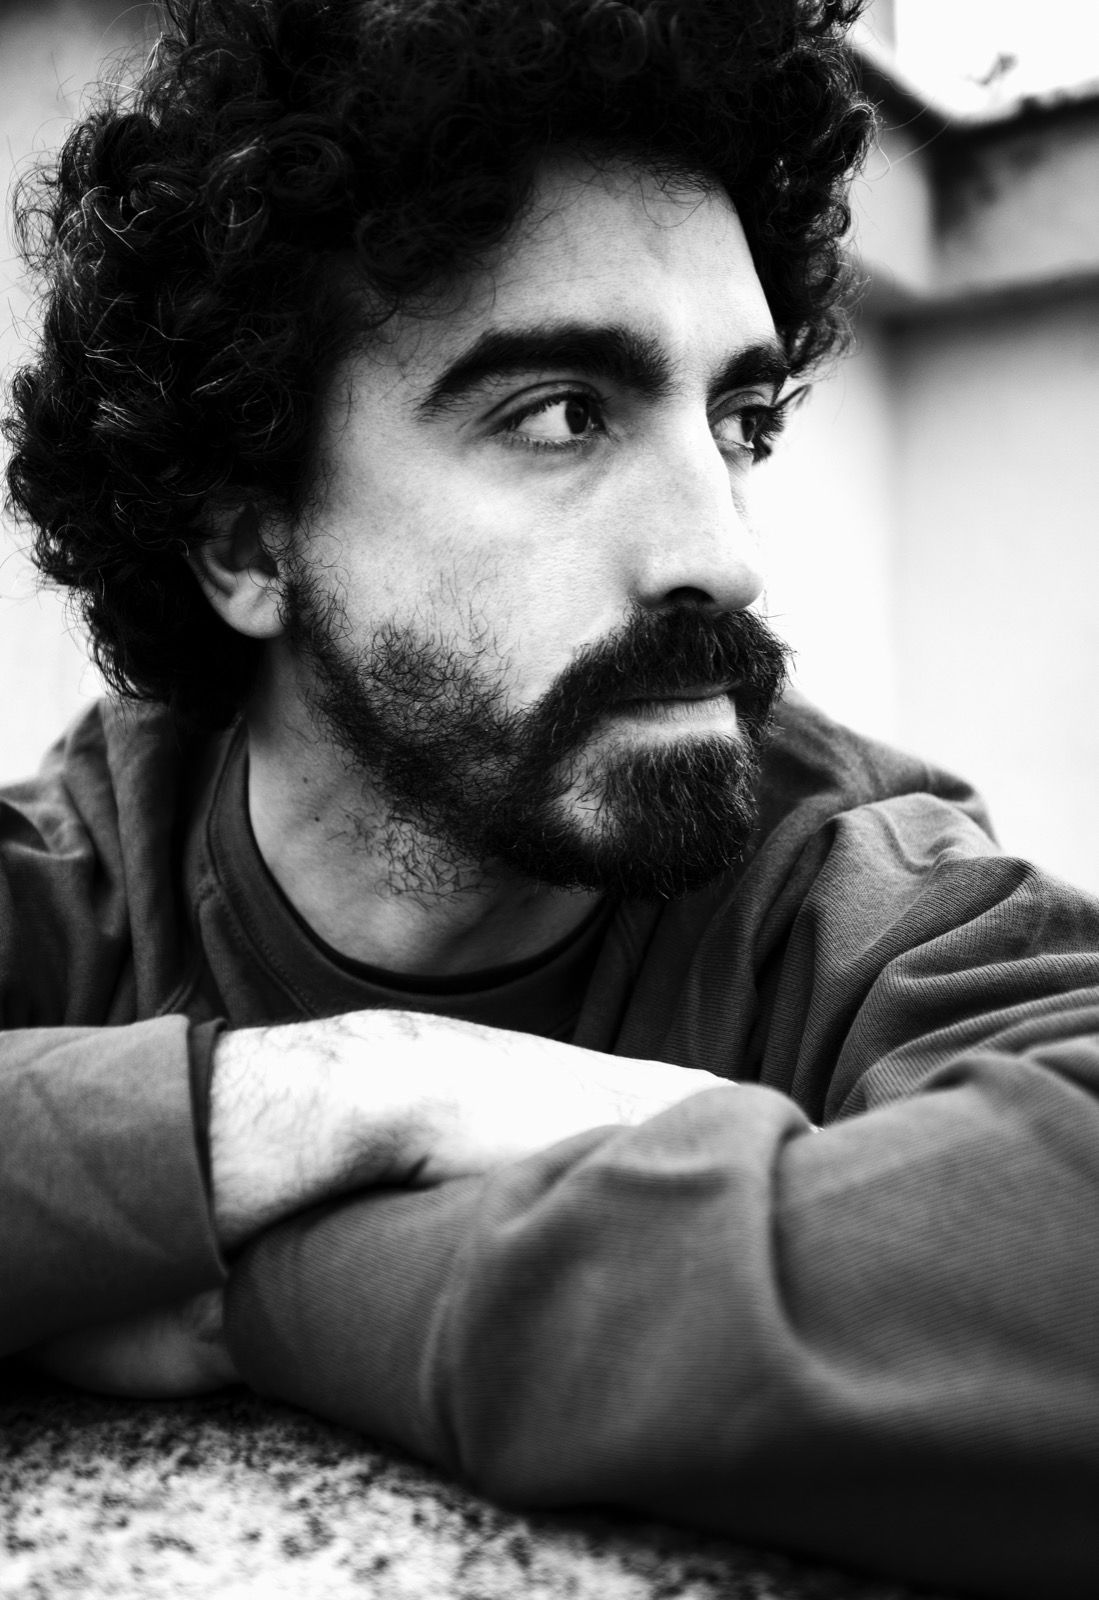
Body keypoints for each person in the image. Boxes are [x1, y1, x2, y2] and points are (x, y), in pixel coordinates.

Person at [2, 1, 1097, 1595]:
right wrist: (352, 1091)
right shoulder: (81, 873)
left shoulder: (854, 884)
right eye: (566, 414)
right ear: (246, 541)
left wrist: (262, 1290)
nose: (722, 553)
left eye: (740, 423)